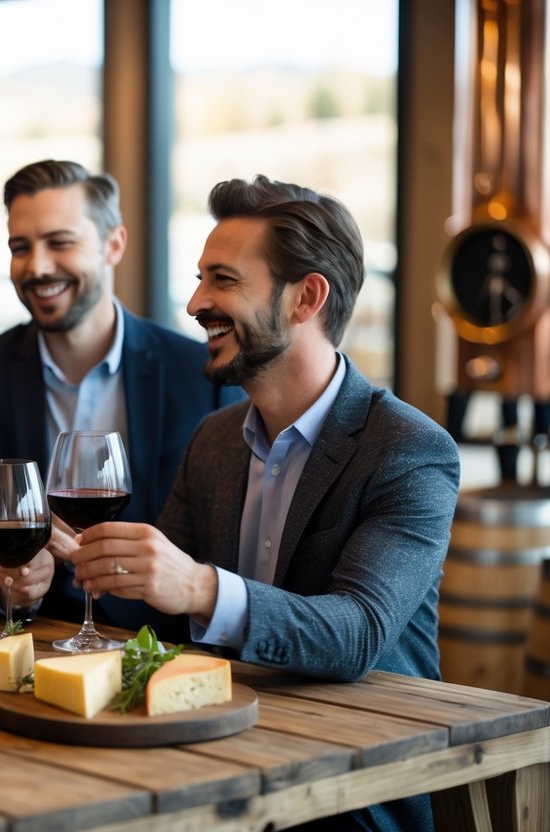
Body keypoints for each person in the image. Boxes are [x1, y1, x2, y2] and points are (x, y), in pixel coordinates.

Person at [72, 175, 459, 832]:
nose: (195, 302)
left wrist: (197, 586)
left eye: (222, 280)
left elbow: (355, 633)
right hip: (216, 768)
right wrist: (81, 562)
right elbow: (161, 610)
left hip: (349, 793)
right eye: (199, 279)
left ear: (306, 297)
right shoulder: (215, 439)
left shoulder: (409, 450)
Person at [0, 159, 244, 627]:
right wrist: (6, 582)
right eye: (20, 247)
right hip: (27, 643)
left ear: (113, 244)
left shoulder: (199, 373)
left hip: (159, 647)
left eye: (60, 243)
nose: (38, 266)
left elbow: (223, 548)